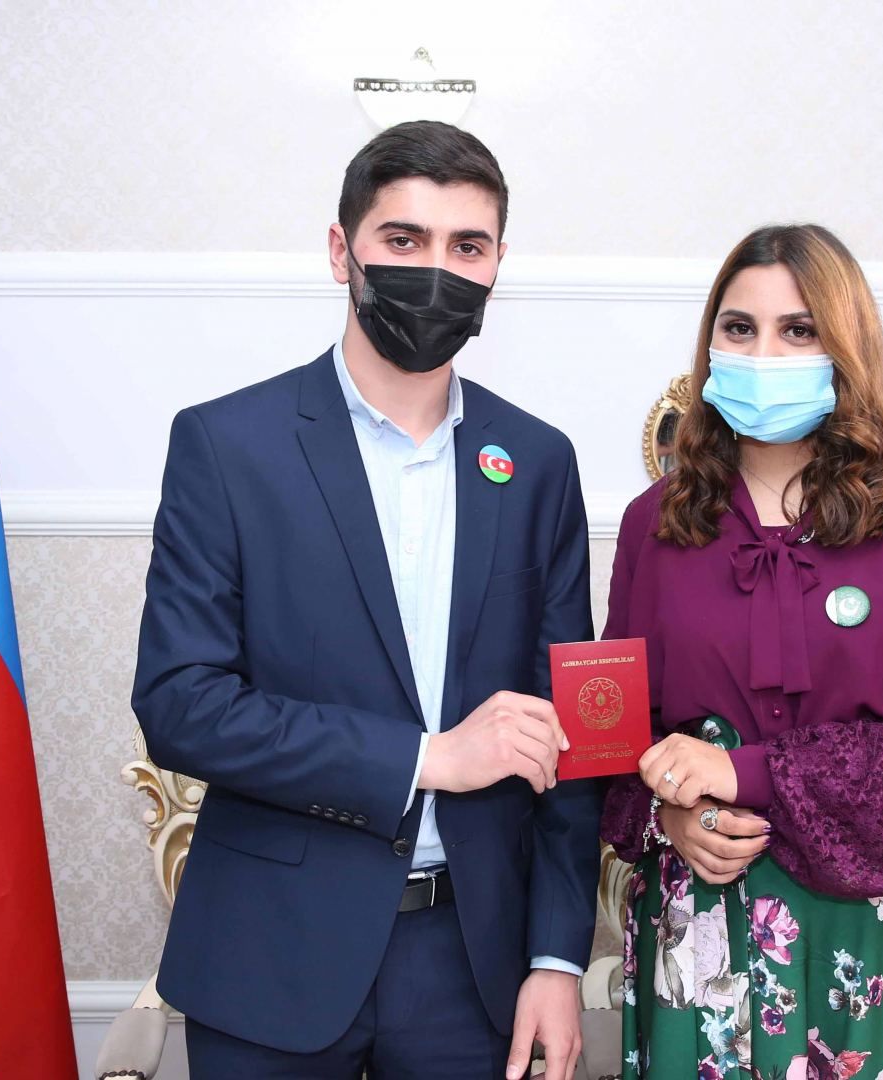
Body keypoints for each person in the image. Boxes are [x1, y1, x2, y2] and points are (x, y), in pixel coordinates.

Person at [133, 120, 601, 1080]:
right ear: (341, 250)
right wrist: (428, 759)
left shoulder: (538, 461)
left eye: (465, 247)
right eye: (403, 239)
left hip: (475, 966)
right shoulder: (227, 446)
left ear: (497, 265)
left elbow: (571, 729)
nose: (435, 270)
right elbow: (180, 704)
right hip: (270, 954)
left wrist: (557, 957)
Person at [599, 224, 883, 1078]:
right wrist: (671, 818)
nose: (763, 353)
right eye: (739, 328)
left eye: (798, 330)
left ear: (845, 345)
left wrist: (744, 774)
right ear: (709, 344)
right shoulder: (654, 523)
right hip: (704, 934)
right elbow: (615, 741)